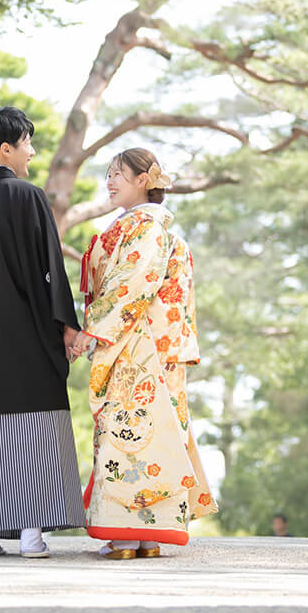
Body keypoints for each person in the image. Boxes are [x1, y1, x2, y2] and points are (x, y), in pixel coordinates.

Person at [0, 106, 86, 559]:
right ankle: (30, 533)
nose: (32, 151)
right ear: (6, 149)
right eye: (27, 143)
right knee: (33, 426)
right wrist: (65, 324)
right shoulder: (27, 196)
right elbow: (48, 269)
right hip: (22, 335)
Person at [68, 148, 217, 560]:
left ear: (142, 180)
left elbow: (131, 282)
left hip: (138, 346)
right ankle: (147, 536)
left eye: (118, 174)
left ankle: (128, 536)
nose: (110, 181)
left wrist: (91, 330)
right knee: (156, 437)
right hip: (154, 344)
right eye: (108, 174)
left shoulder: (146, 227)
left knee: (131, 435)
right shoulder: (148, 226)